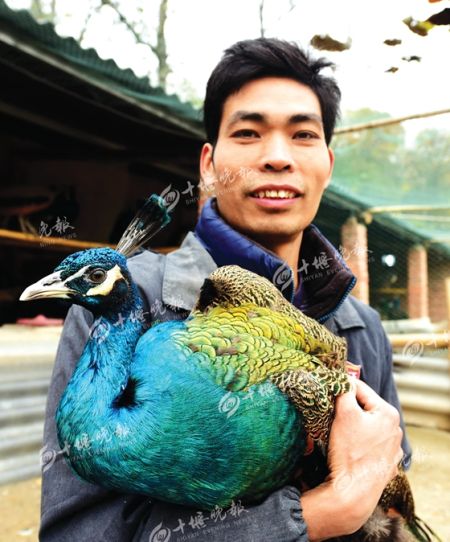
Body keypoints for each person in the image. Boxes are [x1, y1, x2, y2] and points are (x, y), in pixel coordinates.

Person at [40, 38, 410, 541]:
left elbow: (391, 505)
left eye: (303, 134)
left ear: (328, 161)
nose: (277, 157)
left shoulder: (361, 326)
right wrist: (329, 509)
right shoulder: (126, 305)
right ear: (209, 163)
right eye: (249, 132)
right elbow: (81, 532)